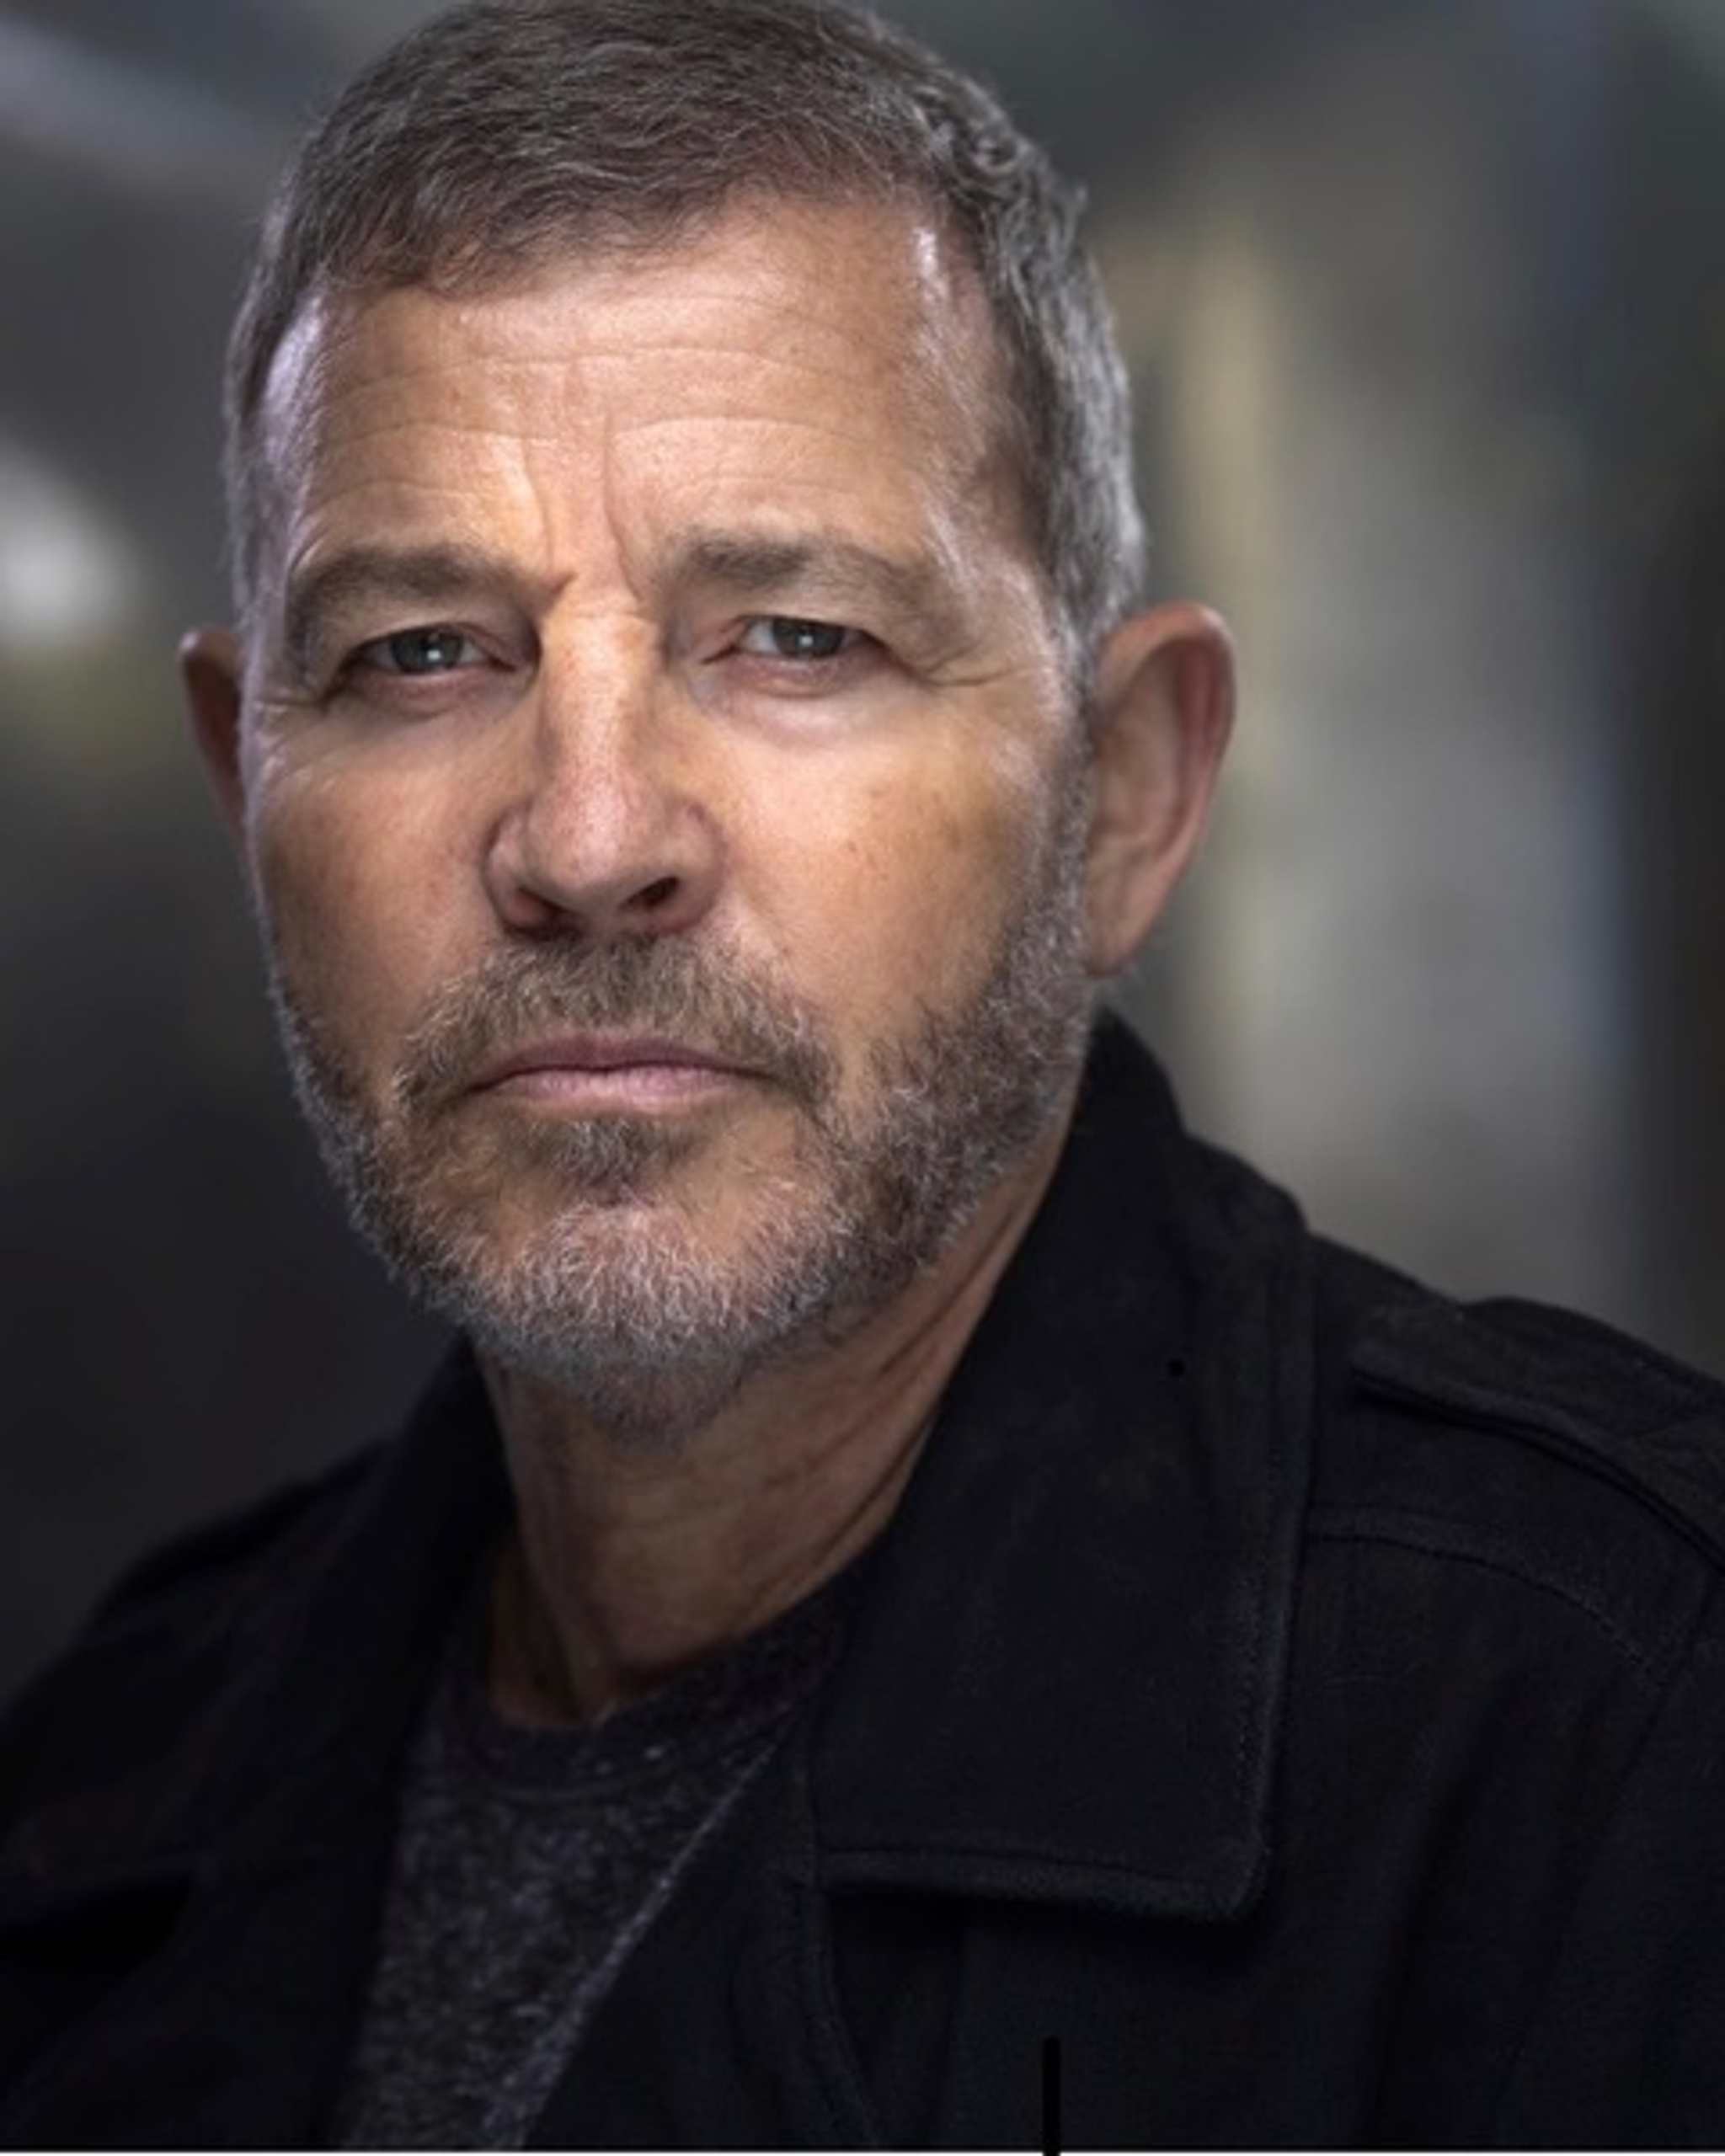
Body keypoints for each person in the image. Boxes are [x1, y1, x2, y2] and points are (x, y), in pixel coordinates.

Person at [3, 0, 1724, 2144]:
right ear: (243, 782)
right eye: (423, 651)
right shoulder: (96, 1786)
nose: (590, 835)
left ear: (1116, 796)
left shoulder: (1621, 1739)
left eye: (795, 636)